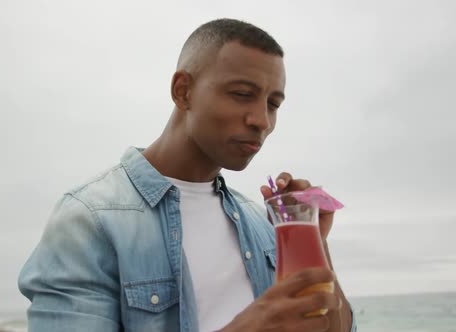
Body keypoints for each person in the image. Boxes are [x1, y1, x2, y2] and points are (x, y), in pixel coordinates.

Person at [18, 18, 357, 332]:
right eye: (242, 94)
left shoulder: (262, 224)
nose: (261, 121)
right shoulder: (90, 218)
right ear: (183, 91)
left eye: (273, 104)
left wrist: (314, 241)